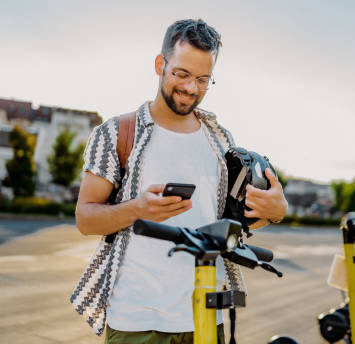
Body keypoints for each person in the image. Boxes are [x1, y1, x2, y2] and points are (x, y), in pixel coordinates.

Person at [70, 19, 288, 344]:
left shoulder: (221, 142)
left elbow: (231, 227)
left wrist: (276, 211)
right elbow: (86, 219)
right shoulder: (116, 134)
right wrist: (136, 209)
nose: (191, 88)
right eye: (182, 74)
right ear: (161, 64)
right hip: (138, 320)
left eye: (203, 79)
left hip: (205, 314)